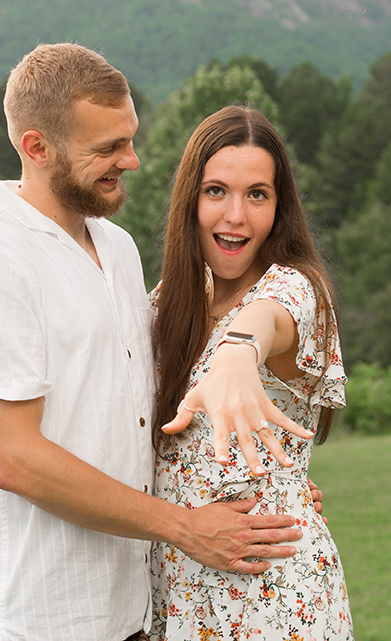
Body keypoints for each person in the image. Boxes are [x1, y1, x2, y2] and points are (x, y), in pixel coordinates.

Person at [0, 44, 312, 641]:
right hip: (35, 618)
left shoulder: (119, 249)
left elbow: (139, 413)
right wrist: (184, 525)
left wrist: (261, 484)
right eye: (106, 148)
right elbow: (15, 460)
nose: (130, 161)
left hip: (133, 612)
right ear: (36, 147)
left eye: (129, 139)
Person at [147, 105, 353, 640]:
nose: (236, 215)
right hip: (176, 587)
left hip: (270, 595)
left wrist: (237, 352)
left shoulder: (297, 289)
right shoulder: (166, 306)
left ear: (279, 207)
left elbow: (269, 322)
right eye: (216, 190)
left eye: (256, 194)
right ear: (189, 199)